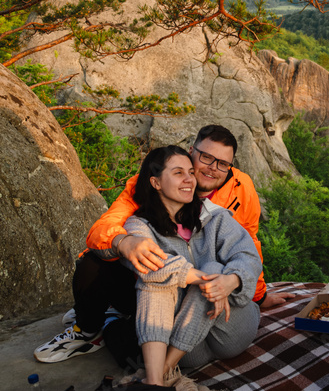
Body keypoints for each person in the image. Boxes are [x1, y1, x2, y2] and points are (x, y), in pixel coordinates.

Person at [35, 124, 287, 364]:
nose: (212, 168)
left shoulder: (241, 189)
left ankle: (118, 319)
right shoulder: (150, 182)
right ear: (192, 152)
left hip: (207, 292)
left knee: (151, 348)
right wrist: (123, 241)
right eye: (206, 158)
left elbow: (248, 243)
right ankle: (89, 330)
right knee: (95, 264)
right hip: (157, 284)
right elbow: (102, 229)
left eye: (222, 163)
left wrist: (258, 294)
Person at [121, 146, 262, 385]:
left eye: (190, 171)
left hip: (230, 329)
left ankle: (161, 370)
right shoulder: (138, 225)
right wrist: (203, 279)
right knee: (154, 276)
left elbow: (248, 255)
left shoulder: (213, 216)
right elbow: (148, 263)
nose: (189, 179)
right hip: (187, 344)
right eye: (178, 173)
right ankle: (155, 386)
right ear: (156, 182)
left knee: (213, 269)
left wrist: (230, 280)